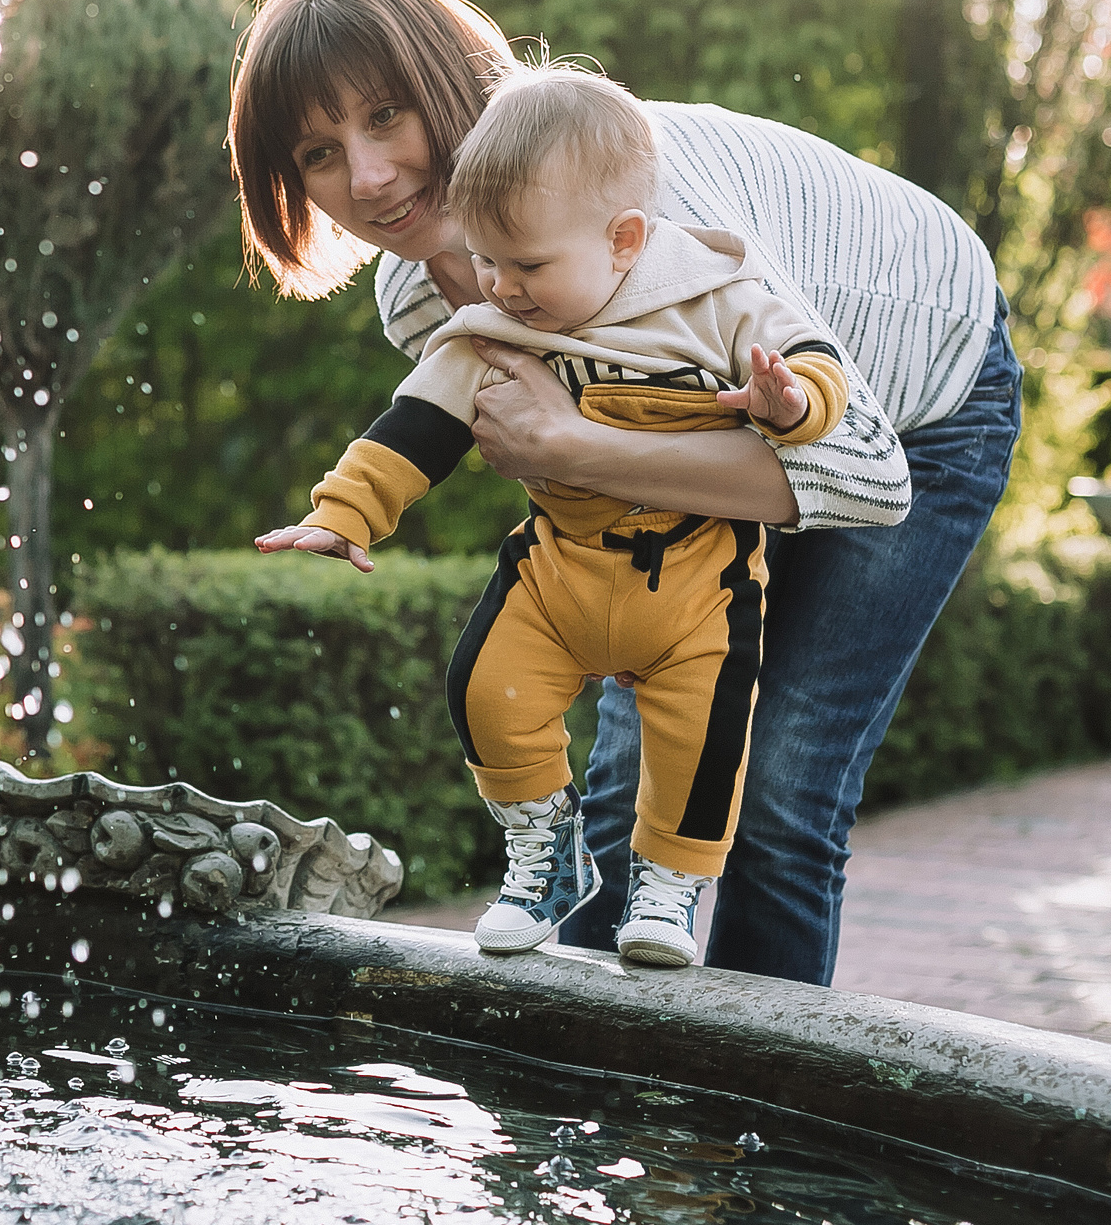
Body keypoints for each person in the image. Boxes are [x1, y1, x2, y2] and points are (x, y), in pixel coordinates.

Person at [226, 0, 1021, 986]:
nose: (366, 178)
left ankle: (752, 1125)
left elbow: (864, 474)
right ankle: (598, 1124)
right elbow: (600, 512)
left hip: (916, 400)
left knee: (781, 790)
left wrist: (571, 445)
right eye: (318, 153)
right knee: (633, 773)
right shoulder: (420, 301)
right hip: (728, 451)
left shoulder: (639, 206)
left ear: (447, 84)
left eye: (384, 117)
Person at [256, 66, 863, 968]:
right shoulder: (495, 322)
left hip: (698, 583)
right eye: (487, 260)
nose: (499, 287)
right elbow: (419, 421)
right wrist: (346, 511)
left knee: (705, 745)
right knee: (484, 687)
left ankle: (668, 886)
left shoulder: (717, 296)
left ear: (623, 240)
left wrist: (788, 404)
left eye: (527, 266)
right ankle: (543, 858)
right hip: (561, 569)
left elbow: (818, 375)